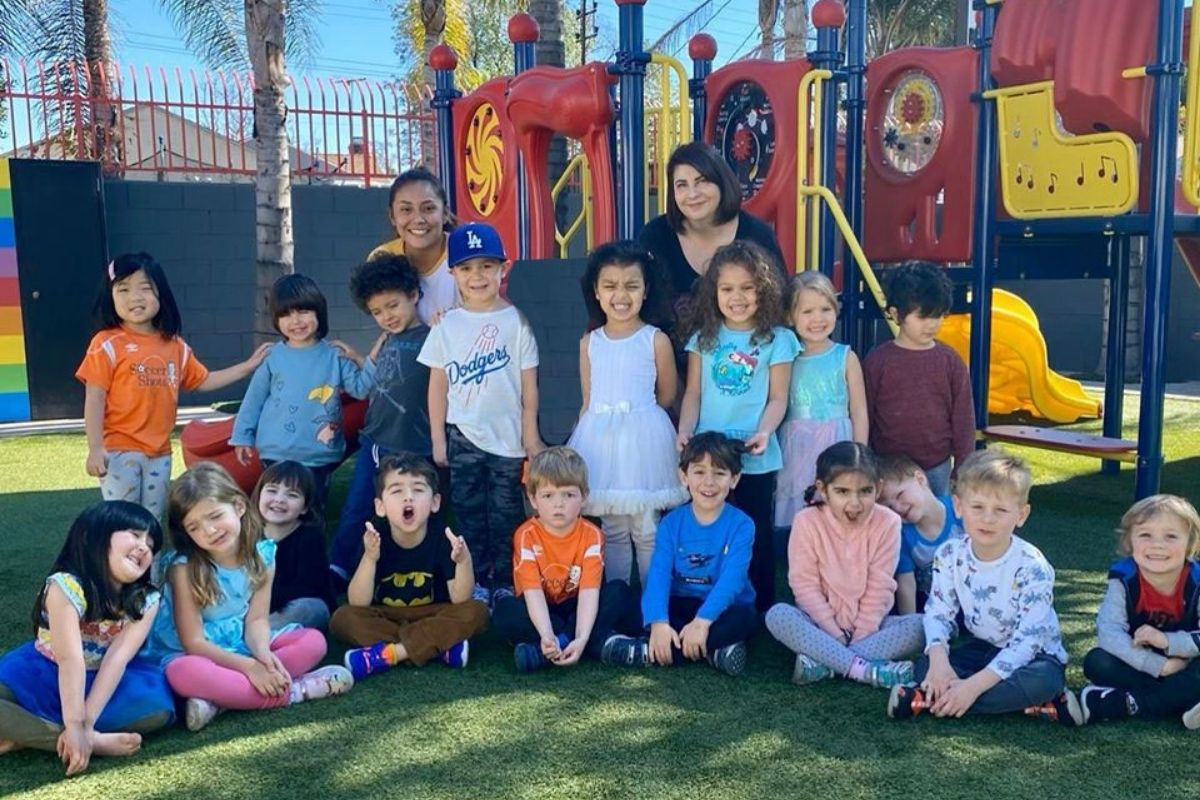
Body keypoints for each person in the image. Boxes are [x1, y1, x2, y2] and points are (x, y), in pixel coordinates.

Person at [141, 463, 353, 732]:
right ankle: (296, 692)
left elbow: (256, 621)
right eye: (194, 527)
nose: (209, 530)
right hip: (200, 652)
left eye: (215, 516)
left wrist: (263, 656)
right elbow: (193, 643)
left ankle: (220, 702)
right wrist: (250, 667)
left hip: (240, 641)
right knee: (182, 672)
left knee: (313, 642)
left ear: (239, 507)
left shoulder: (263, 556)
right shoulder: (183, 567)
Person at [886, 448, 1081, 725]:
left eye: (1000, 510)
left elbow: (1028, 642)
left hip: (1036, 657)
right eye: (977, 507)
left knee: (1044, 681)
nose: (987, 518)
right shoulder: (950, 554)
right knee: (926, 665)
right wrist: (940, 663)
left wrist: (972, 687)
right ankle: (1034, 708)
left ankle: (927, 700)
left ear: (1021, 514)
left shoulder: (1033, 566)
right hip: (984, 647)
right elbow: (939, 612)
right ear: (959, 506)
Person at [76, 252, 269, 520]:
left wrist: (247, 367)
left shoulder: (174, 345)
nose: (135, 297)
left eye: (145, 288)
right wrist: (96, 448)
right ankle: (120, 562)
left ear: (160, 294)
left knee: (153, 519)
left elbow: (203, 380)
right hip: (119, 450)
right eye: (124, 289)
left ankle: (152, 563)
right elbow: (94, 398)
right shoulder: (105, 344)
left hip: (159, 452)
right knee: (122, 519)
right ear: (111, 297)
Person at [418, 222, 545, 606]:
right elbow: (437, 386)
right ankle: (474, 580)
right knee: (470, 513)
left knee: (506, 515)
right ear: (453, 273)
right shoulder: (446, 325)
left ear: (503, 268)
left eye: (487, 266)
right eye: (467, 268)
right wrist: (438, 437)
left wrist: (530, 437)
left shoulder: (517, 321)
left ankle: (505, 581)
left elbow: (529, 387)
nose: (478, 276)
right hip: (463, 435)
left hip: (507, 438)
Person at [0, 502, 173, 775]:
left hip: (103, 684)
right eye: (135, 534)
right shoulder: (66, 586)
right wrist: (76, 726)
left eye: (151, 544)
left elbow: (117, 659)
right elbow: (70, 659)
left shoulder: (146, 600)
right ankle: (85, 742)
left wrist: (86, 724)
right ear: (94, 537)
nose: (144, 547)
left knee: (158, 712)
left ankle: (37, 734)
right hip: (44, 671)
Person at [677, 240, 798, 611]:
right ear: (714, 293)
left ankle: (761, 605)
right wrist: (684, 430)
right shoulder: (704, 339)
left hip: (753, 452)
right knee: (706, 526)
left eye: (747, 288)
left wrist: (764, 431)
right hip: (710, 453)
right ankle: (703, 594)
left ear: (763, 290)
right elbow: (694, 394)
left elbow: (779, 397)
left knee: (755, 530)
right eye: (727, 288)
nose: (737, 297)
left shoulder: (779, 340)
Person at [566, 241, 688, 585]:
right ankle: (617, 601)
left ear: (646, 290)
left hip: (643, 439)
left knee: (647, 526)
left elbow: (666, 394)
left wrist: (637, 418)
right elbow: (588, 399)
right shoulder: (590, 343)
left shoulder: (654, 339)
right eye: (611, 286)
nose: (621, 294)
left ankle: (652, 606)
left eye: (632, 285)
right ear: (597, 291)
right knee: (614, 527)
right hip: (600, 443)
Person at [766, 442, 923, 688]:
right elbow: (804, 585)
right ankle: (865, 670)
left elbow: (880, 587)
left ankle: (824, 664)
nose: (855, 503)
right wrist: (835, 634)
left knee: (921, 625)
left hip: (871, 627)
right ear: (823, 490)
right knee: (777, 616)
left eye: (865, 491)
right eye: (842, 492)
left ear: (878, 488)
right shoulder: (806, 522)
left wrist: (860, 634)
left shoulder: (888, 522)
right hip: (817, 626)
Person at [602, 432, 758, 677]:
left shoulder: (742, 525)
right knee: (626, 599)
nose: (709, 482)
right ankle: (712, 652)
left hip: (721, 609)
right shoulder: (671, 523)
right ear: (683, 476)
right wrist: (659, 623)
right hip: (680, 604)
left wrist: (703, 622)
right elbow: (659, 575)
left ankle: (645, 652)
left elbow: (733, 581)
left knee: (745, 618)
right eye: (699, 472)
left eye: (719, 473)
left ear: (735, 479)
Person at [329, 254, 438, 586]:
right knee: (358, 508)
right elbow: (386, 378)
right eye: (377, 312)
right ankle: (338, 571)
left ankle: (419, 574)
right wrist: (361, 359)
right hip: (376, 442)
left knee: (413, 513)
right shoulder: (387, 339)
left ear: (414, 295)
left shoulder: (434, 337)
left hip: (415, 445)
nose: (386, 316)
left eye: (392, 306)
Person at [331, 454, 489, 680]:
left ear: (435, 502)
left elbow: (460, 598)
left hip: (434, 612)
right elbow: (357, 603)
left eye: (417, 490)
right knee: (343, 618)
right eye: (397, 491)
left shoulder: (442, 536)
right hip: (387, 615)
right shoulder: (374, 537)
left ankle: (389, 654)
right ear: (380, 506)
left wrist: (464, 562)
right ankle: (437, 647)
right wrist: (369, 558)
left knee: (477, 612)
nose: (408, 498)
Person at [229, 274, 371, 508]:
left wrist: (359, 358)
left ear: (319, 312)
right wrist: (242, 435)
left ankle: (309, 545)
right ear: (276, 319)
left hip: (319, 455)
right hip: (275, 452)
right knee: (276, 509)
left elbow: (362, 389)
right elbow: (254, 399)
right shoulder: (272, 356)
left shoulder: (335, 356)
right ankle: (273, 545)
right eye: (285, 314)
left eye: (303, 311)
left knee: (311, 512)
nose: (295, 321)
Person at [492, 447, 633, 673]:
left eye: (568, 494)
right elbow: (532, 591)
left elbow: (589, 592)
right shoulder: (526, 534)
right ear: (533, 498)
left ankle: (550, 649)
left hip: (576, 605)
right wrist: (547, 634)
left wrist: (579, 636)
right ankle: (591, 643)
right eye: (548, 495)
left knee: (618, 592)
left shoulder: (592, 535)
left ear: (584, 497)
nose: (559, 504)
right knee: (505, 612)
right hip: (541, 607)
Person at [637, 142, 787, 348]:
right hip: (668, 368)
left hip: (744, 367)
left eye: (702, 181)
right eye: (681, 185)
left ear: (721, 182)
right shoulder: (655, 236)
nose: (692, 194)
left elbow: (779, 306)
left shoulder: (757, 235)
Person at [1078, 494, 1200, 727]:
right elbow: (1110, 633)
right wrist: (1159, 666)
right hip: (1142, 663)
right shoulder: (1124, 579)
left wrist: (1167, 641)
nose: (1157, 545)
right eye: (1145, 535)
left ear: (1189, 543)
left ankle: (1126, 703)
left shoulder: (1197, 582)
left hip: (1189, 661)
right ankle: (1183, 701)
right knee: (1097, 662)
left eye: (1171, 536)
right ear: (1129, 542)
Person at [862, 261, 974, 496]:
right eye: (923, 316)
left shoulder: (950, 361)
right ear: (895, 314)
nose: (932, 324)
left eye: (939, 315)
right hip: (887, 467)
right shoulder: (878, 361)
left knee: (937, 526)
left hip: (937, 466)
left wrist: (963, 468)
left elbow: (963, 419)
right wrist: (866, 461)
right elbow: (866, 415)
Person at [773, 272, 868, 528]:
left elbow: (859, 410)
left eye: (825, 309)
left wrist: (860, 453)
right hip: (798, 443)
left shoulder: (845, 357)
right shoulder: (786, 358)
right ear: (790, 317)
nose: (818, 319)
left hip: (837, 438)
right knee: (799, 500)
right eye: (807, 312)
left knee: (836, 496)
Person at [368, 167, 459, 324]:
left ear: (445, 214)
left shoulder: (466, 253)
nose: (418, 219)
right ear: (392, 216)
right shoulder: (381, 259)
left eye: (429, 208)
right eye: (406, 209)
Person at [876, 454, 965, 614]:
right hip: (931, 606)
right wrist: (908, 624)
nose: (897, 507)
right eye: (889, 507)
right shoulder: (901, 535)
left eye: (900, 495)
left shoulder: (959, 510)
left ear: (920, 479)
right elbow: (906, 584)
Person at [251, 461, 334, 630]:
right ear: (259, 495)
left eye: (292, 495)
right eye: (272, 491)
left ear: (304, 507)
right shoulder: (246, 533)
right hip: (248, 606)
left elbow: (305, 588)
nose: (279, 499)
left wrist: (259, 598)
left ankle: (248, 638)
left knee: (309, 610)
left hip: (290, 605)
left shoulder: (309, 537)